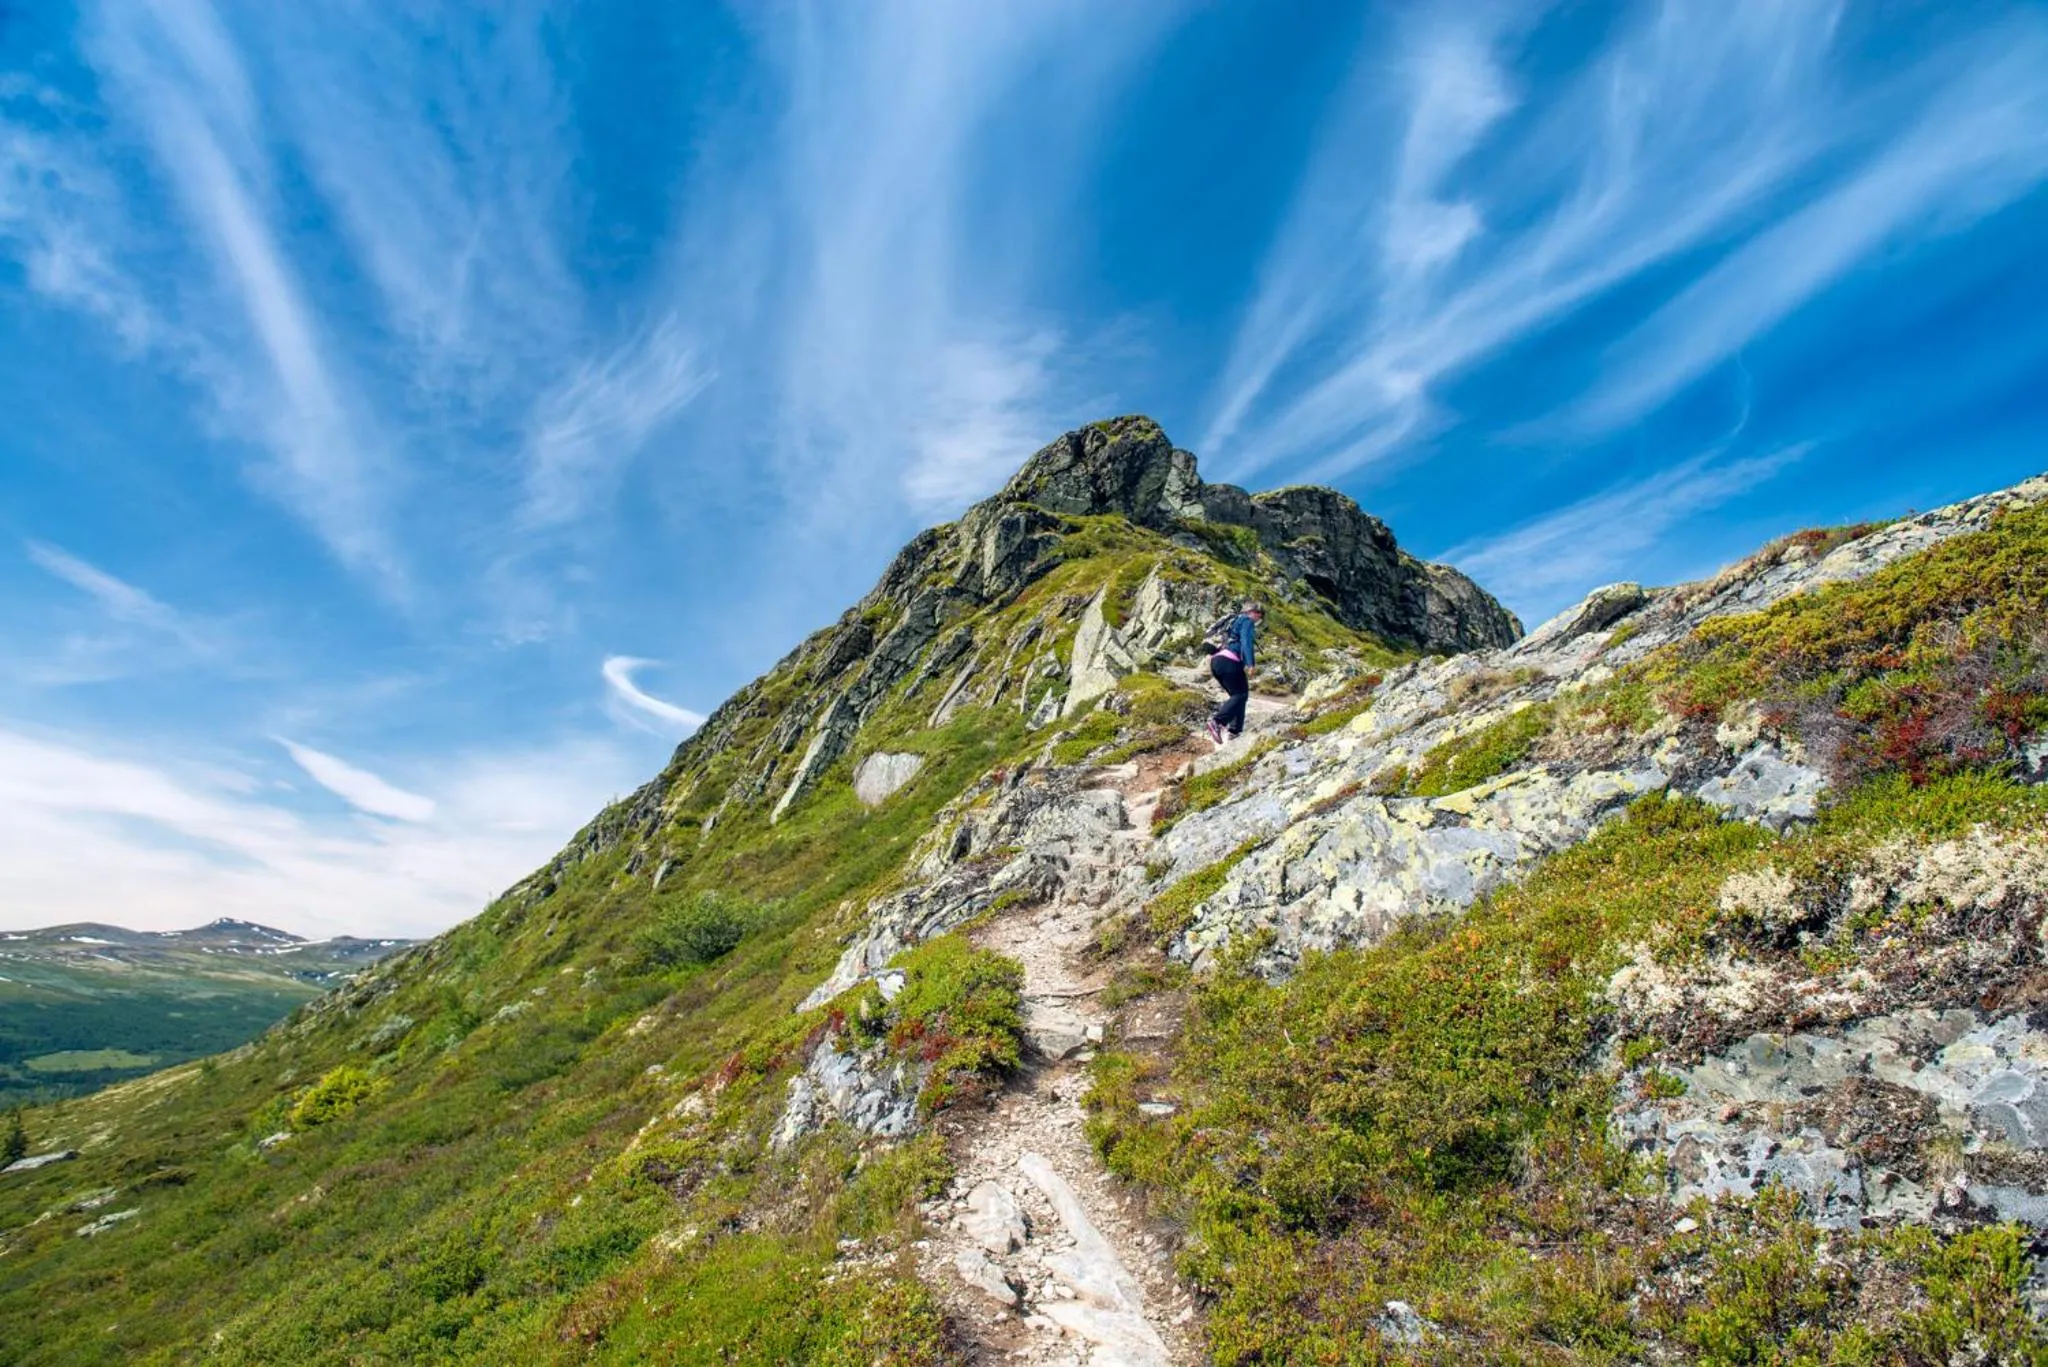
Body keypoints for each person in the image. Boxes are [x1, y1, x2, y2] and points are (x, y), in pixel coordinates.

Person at [1206, 602, 1261, 745]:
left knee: (1238, 696)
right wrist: (1250, 663)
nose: (1259, 617)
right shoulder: (1247, 621)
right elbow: (1246, 641)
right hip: (1229, 661)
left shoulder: (1232, 622)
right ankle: (1217, 722)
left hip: (1216, 661)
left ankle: (1235, 731)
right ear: (1251, 612)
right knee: (1241, 695)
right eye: (1258, 613)